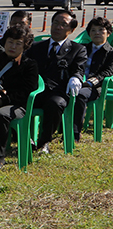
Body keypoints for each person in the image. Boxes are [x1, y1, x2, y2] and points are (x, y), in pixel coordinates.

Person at [25, 10, 87, 153]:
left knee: (55, 104)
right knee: (16, 102)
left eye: (63, 25)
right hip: (34, 90)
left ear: (71, 30)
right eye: (56, 23)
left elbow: (79, 68)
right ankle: (26, 138)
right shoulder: (35, 47)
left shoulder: (77, 49)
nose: (58, 27)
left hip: (57, 91)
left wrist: (75, 78)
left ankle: (44, 141)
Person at [0, 25, 38, 171]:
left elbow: (27, 92)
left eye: (18, 44)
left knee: (0, 115)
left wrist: (5, 98)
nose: (13, 47)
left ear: (25, 46)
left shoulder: (29, 65)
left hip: (17, 105)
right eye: (10, 42)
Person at [72, 17, 113, 140]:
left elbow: (108, 71)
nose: (97, 33)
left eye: (101, 30)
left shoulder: (110, 53)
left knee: (80, 95)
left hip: (95, 86)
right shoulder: (81, 48)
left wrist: (91, 82)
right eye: (93, 30)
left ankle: (74, 133)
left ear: (108, 33)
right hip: (77, 80)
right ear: (89, 33)